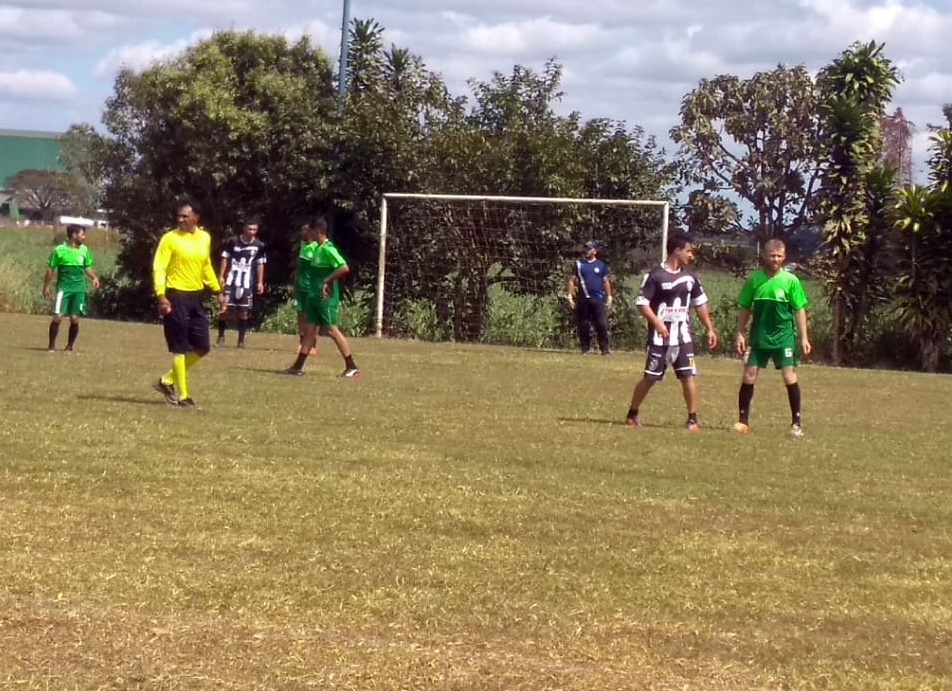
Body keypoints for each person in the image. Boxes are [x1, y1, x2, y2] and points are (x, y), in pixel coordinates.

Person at [625, 233, 718, 432]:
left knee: (688, 377)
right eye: (688, 251)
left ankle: (693, 419)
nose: (691, 255)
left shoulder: (690, 278)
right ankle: (632, 412)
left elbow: (700, 304)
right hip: (660, 340)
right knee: (650, 378)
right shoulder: (655, 275)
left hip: (683, 338)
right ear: (677, 251)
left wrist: (710, 328)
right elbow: (642, 303)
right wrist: (657, 323)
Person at [152, 201, 227, 408]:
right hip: (175, 296)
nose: (180, 220)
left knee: (202, 347)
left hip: (196, 297)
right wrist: (161, 295)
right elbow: (160, 268)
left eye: (185, 216)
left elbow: (206, 267)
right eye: (179, 216)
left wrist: (218, 292)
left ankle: (166, 380)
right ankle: (183, 396)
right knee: (180, 348)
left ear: (196, 217)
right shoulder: (170, 239)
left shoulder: (204, 238)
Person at [733, 238, 811, 438]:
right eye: (771, 255)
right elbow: (745, 307)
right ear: (765, 256)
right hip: (759, 337)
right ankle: (743, 422)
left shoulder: (791, 281)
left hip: (784, 338)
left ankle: (796, 423)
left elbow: (800, 310)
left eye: (779, 256)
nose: (775, 259)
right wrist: (740, 332)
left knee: (789, 376)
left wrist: (804, 338)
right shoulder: (755, 280)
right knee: (749, 375)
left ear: (784, 257)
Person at [284, 216, 360, 378]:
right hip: (314, 296)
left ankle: (351, 366)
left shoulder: (328, 249)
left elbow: (344, 267)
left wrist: (327, 280)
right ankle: (297, 367)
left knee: (332, 330)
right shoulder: (317, 249)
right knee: (309, 331)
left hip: (326, 298)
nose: (307, 233)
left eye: (310, 230)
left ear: (317, 231)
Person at [43, 224, 101, 352]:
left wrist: (94, 278)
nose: (84, 237)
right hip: (64, 289)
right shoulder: (59, 250)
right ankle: (51, 346)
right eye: (82, 234)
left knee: (75, 318)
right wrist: (46, 286)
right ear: (74, 235)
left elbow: (87, 267)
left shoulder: (84, 250)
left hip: (79, 289)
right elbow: (51, 269)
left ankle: (69, 346)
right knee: (58, 316)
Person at [216, 218, 267, 348]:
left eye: (254, 229)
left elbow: (260, 263)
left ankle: (241, 341)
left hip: (246, 283)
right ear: (244, 228)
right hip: (231, 280)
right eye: (249, 229)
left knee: (243, 312)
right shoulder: (233, 241)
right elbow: (225, 257)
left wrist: (260, 282)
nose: (252, 232)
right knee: (224, 309)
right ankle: (221, 336)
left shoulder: (259, 245)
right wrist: (221, 275)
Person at [567, 240, 613, 355]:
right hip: (584, 299)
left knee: (601, 323)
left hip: (598, 299)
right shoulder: (579, 264)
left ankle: (605, 349)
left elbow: (605, 281)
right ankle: (585, 348)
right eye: (586, 248)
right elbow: (572, 281)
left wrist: (609, 296)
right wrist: (570, 296)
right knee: (584, 324)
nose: (586, 251)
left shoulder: (601, 265)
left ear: (595, 251)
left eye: (589, 249)